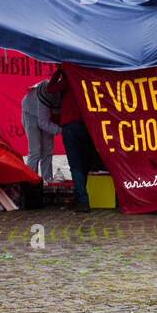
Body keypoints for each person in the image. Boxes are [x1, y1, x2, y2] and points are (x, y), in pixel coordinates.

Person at [49, 67, 104, 213]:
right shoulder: (87, 82)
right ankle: (79, 196)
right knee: (84, 164)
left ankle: (82, 199)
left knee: (75, 165)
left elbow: (50, 88)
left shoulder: (68, 82)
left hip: (71, 126)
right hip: (87, 126)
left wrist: (59, 72)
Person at [20, 78, 62, 182]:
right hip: (30, 113)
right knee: (35, 151)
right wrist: (62, 130)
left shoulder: (64, 94)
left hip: (45, 115)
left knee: (48, 151)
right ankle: (31, 182)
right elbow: (43, 123)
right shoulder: (45, 93)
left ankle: (47, 181)